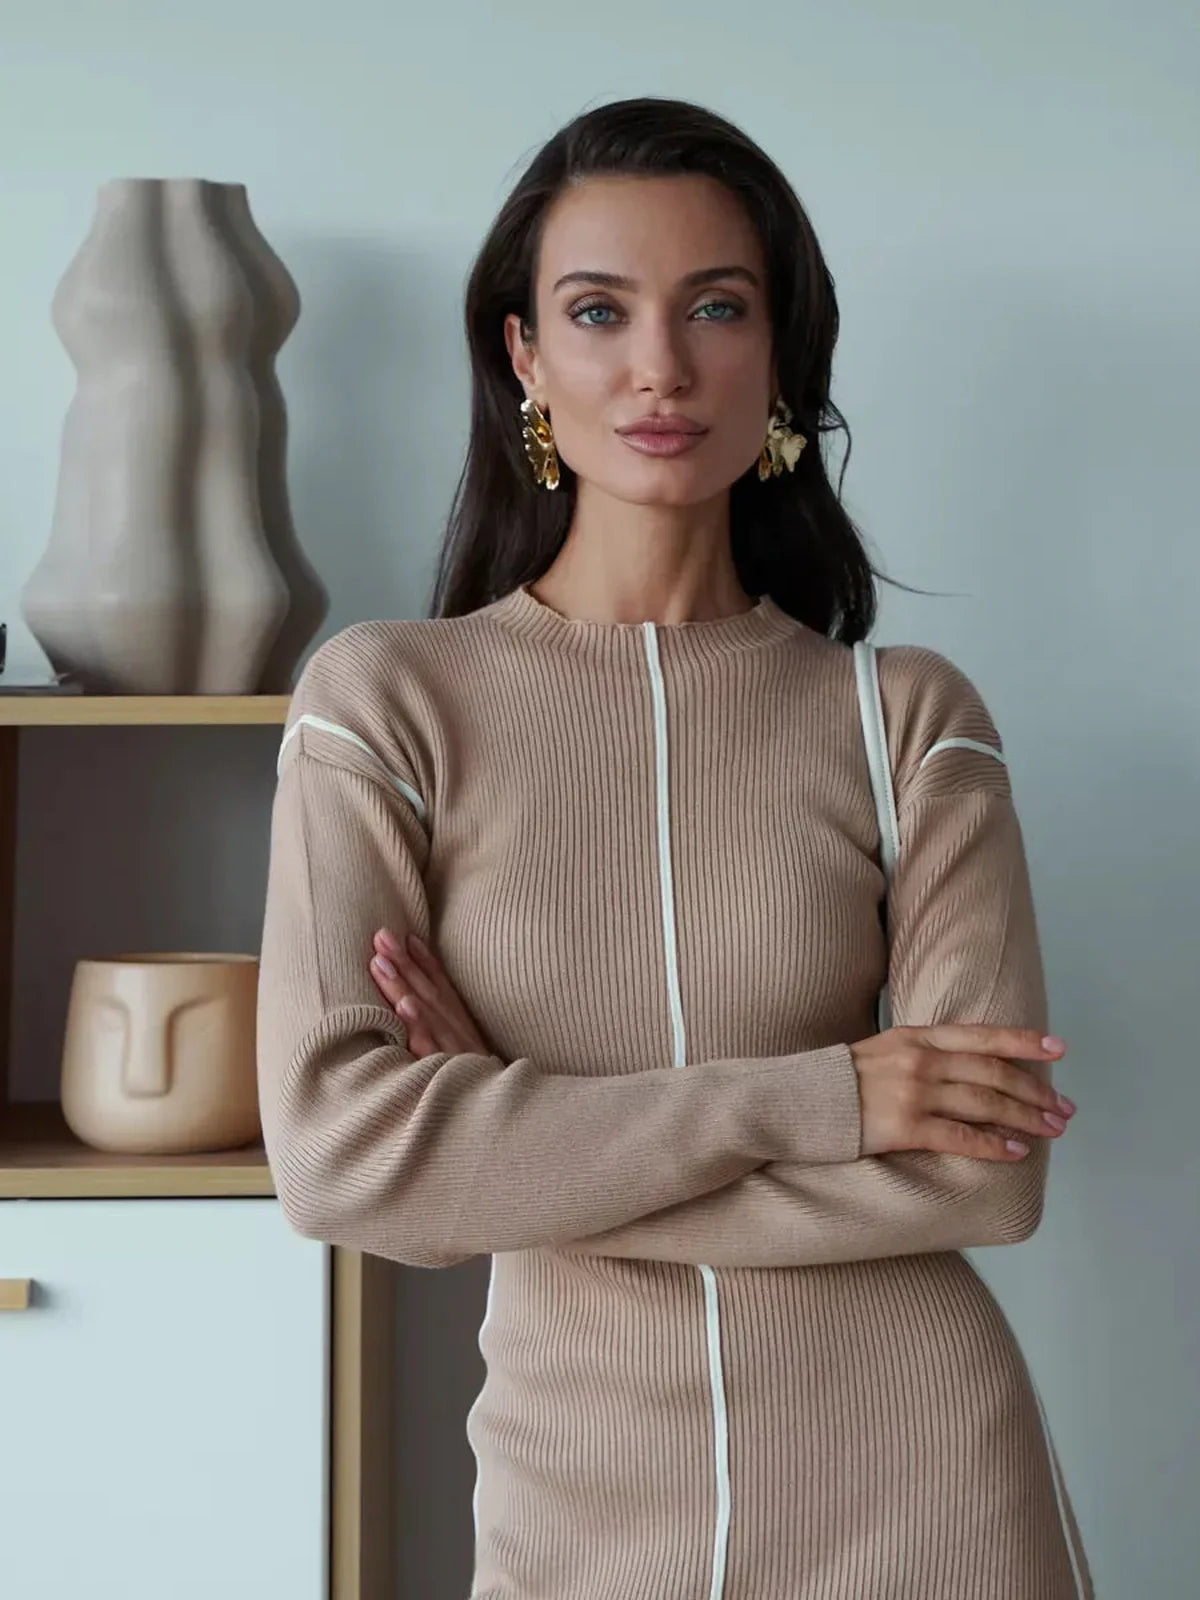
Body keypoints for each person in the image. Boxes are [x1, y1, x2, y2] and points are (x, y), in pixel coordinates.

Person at [257, 95, 1092, 1600]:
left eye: (718, 306)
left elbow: (985, 1183)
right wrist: (833, 1096)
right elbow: (341, 1161)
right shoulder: (386, 702)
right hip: (574, 1501)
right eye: (599, 311)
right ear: (524, 354)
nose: (660, 367)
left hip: (922, 1489)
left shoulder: (906, 718)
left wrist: (509, 1142)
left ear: (781, 354)